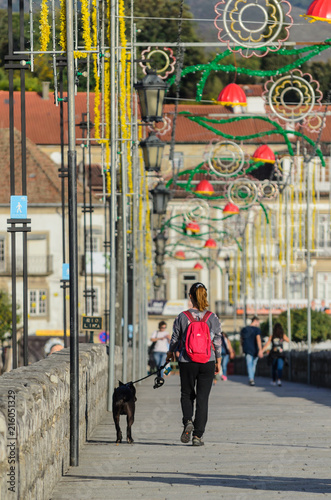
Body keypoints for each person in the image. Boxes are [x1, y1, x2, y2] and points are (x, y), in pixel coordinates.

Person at [166, 282, 222, 447]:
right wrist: (218, 360)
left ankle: (188, 421)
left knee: (186, 394)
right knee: (203, 398)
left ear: (190, 296)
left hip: (187, 361)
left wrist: (170, 353)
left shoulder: (183, 316)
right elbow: (217, 340)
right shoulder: (212, 317)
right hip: (207, 361)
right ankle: (198, 435)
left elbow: (175, 338)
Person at [262, 322, 290, 387]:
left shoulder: (272, 336)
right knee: (279, 367)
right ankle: (279, 380)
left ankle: (274, 381)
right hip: (280, 354)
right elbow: (288, 340)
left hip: (273, 354)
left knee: (274, 368)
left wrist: (262, 351)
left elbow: (267, 344)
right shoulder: (282, 335)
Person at [240, 316, 263, 386]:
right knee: (253, 364)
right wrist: (260, 350)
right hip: (255, 350)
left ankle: (251, 378)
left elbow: (241, 340)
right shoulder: (257, 330)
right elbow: (258, 340)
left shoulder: (244, 329)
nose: (258, 324)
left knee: (249, 364)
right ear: (255, 321)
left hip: (247, 349)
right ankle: (251, 378)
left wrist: (243, 348)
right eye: (258, 322)